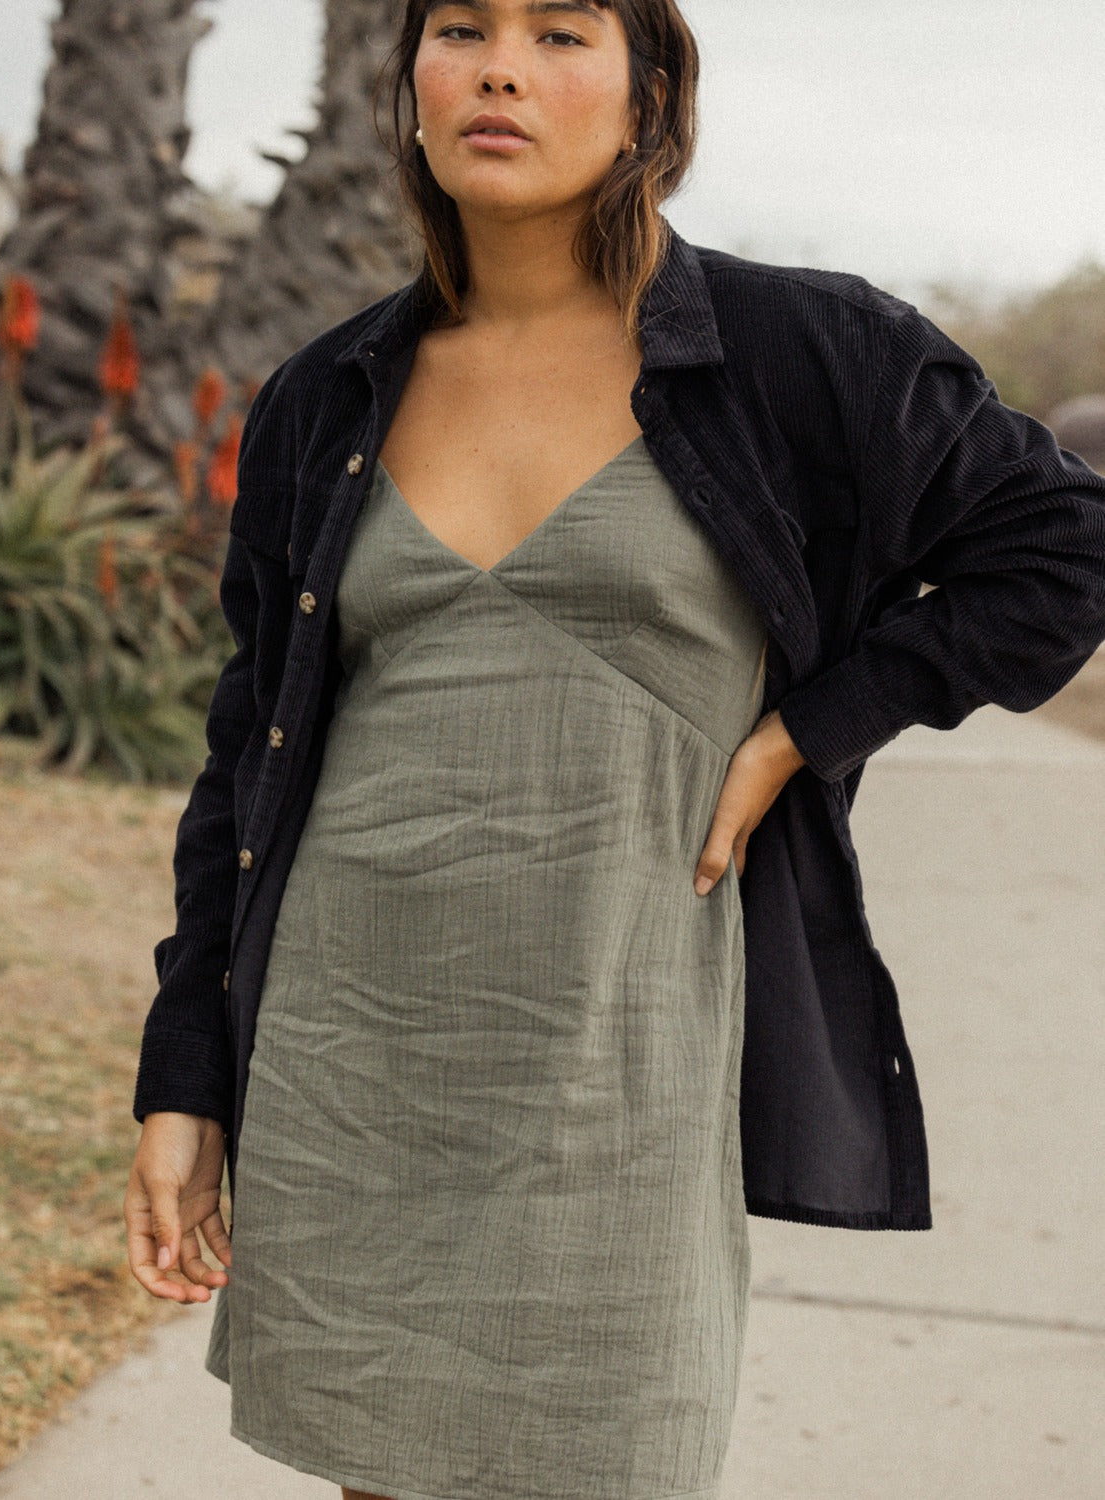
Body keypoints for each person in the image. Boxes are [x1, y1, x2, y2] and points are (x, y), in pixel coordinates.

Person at [123, 2, 1105, 1498]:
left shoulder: (801, 351)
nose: (501, 67)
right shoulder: (328, 395)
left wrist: (804, 733)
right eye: (462, 27)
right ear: (411, 81)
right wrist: (184, 1079)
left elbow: (1061, 550)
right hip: (353, 1049)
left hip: (621, 1056)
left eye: (562, 32)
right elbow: (243, 762)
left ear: (650, 96)